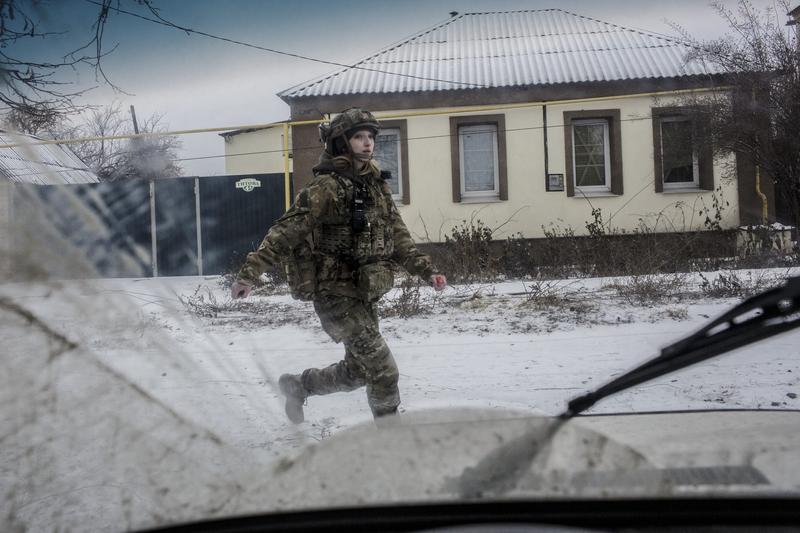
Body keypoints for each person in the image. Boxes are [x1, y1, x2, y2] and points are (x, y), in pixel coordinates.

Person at [231, 108, 447, 423]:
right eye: (359, 136)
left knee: (359, 372)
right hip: (334, 294)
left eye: (371, 136)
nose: (367, 142)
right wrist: (249, 274)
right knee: (384, 371)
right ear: (341, 142)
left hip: (364, 292)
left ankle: (299, 386)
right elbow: (285, 232)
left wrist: (427, 271)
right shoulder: (326, 187)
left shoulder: (376, 186)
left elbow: (397, 238)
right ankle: (391, 439)